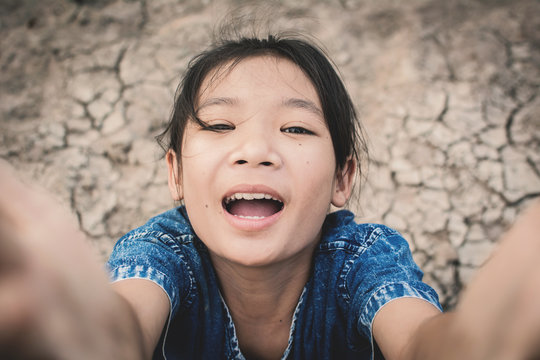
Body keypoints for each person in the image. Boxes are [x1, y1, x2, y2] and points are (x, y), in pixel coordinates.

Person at [0, 34, 539, 360]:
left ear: (342, 179)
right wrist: (75, 332)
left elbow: (422, 342)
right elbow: (122, 331)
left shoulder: (361, 257)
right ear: (177, 175)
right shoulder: (162, 250)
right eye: (218, 125)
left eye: (297, 129)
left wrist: (486, 336)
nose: (255, 149)